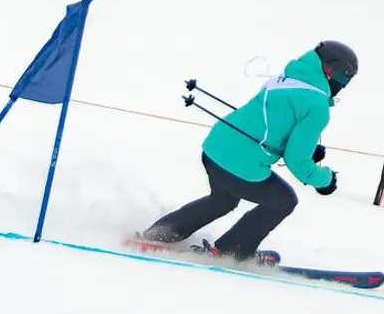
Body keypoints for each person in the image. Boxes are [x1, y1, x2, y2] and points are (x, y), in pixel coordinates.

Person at [139, 40, 359, 264]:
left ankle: (159, 234)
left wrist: (308, 150)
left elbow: (273, 123)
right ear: (329, 71)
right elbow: (297, 161)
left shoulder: (287, 79)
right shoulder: (317, 105)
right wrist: (325, 180)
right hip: (240, 165)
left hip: (215, 148)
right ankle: (232, 250)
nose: (342, 85)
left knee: (222, 200)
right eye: (343, 79)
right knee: (284, 200)